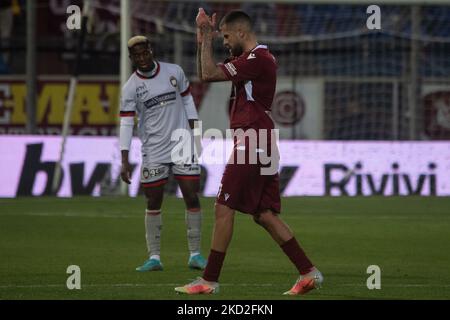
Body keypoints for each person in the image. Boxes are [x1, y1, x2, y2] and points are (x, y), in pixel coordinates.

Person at [175, 9, 323, 295]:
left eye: (227, 36)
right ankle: (309, 273)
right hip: (262, 138)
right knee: (264, 214)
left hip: (253, 139)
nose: (226, 43)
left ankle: (209, 280)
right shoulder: (255, 60)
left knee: (223, 207)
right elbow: (208, 68)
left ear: (242, 33)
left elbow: (207, 74)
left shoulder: (257, 59)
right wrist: (203, 39)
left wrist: (205, 38)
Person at [120, 35, 207, 272]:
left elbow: (188, 101)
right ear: (132, 59)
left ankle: (196, 255)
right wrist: (124, 158)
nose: (142, 57)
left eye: (145, 52)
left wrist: (195, 132)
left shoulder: (174, 72)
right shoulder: (130, 88)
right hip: (154, 149)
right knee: (153, 200)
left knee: (191, 195)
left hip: (182, 143)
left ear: (151, 50)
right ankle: (155, 257)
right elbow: (126, 123)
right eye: (137, 55)